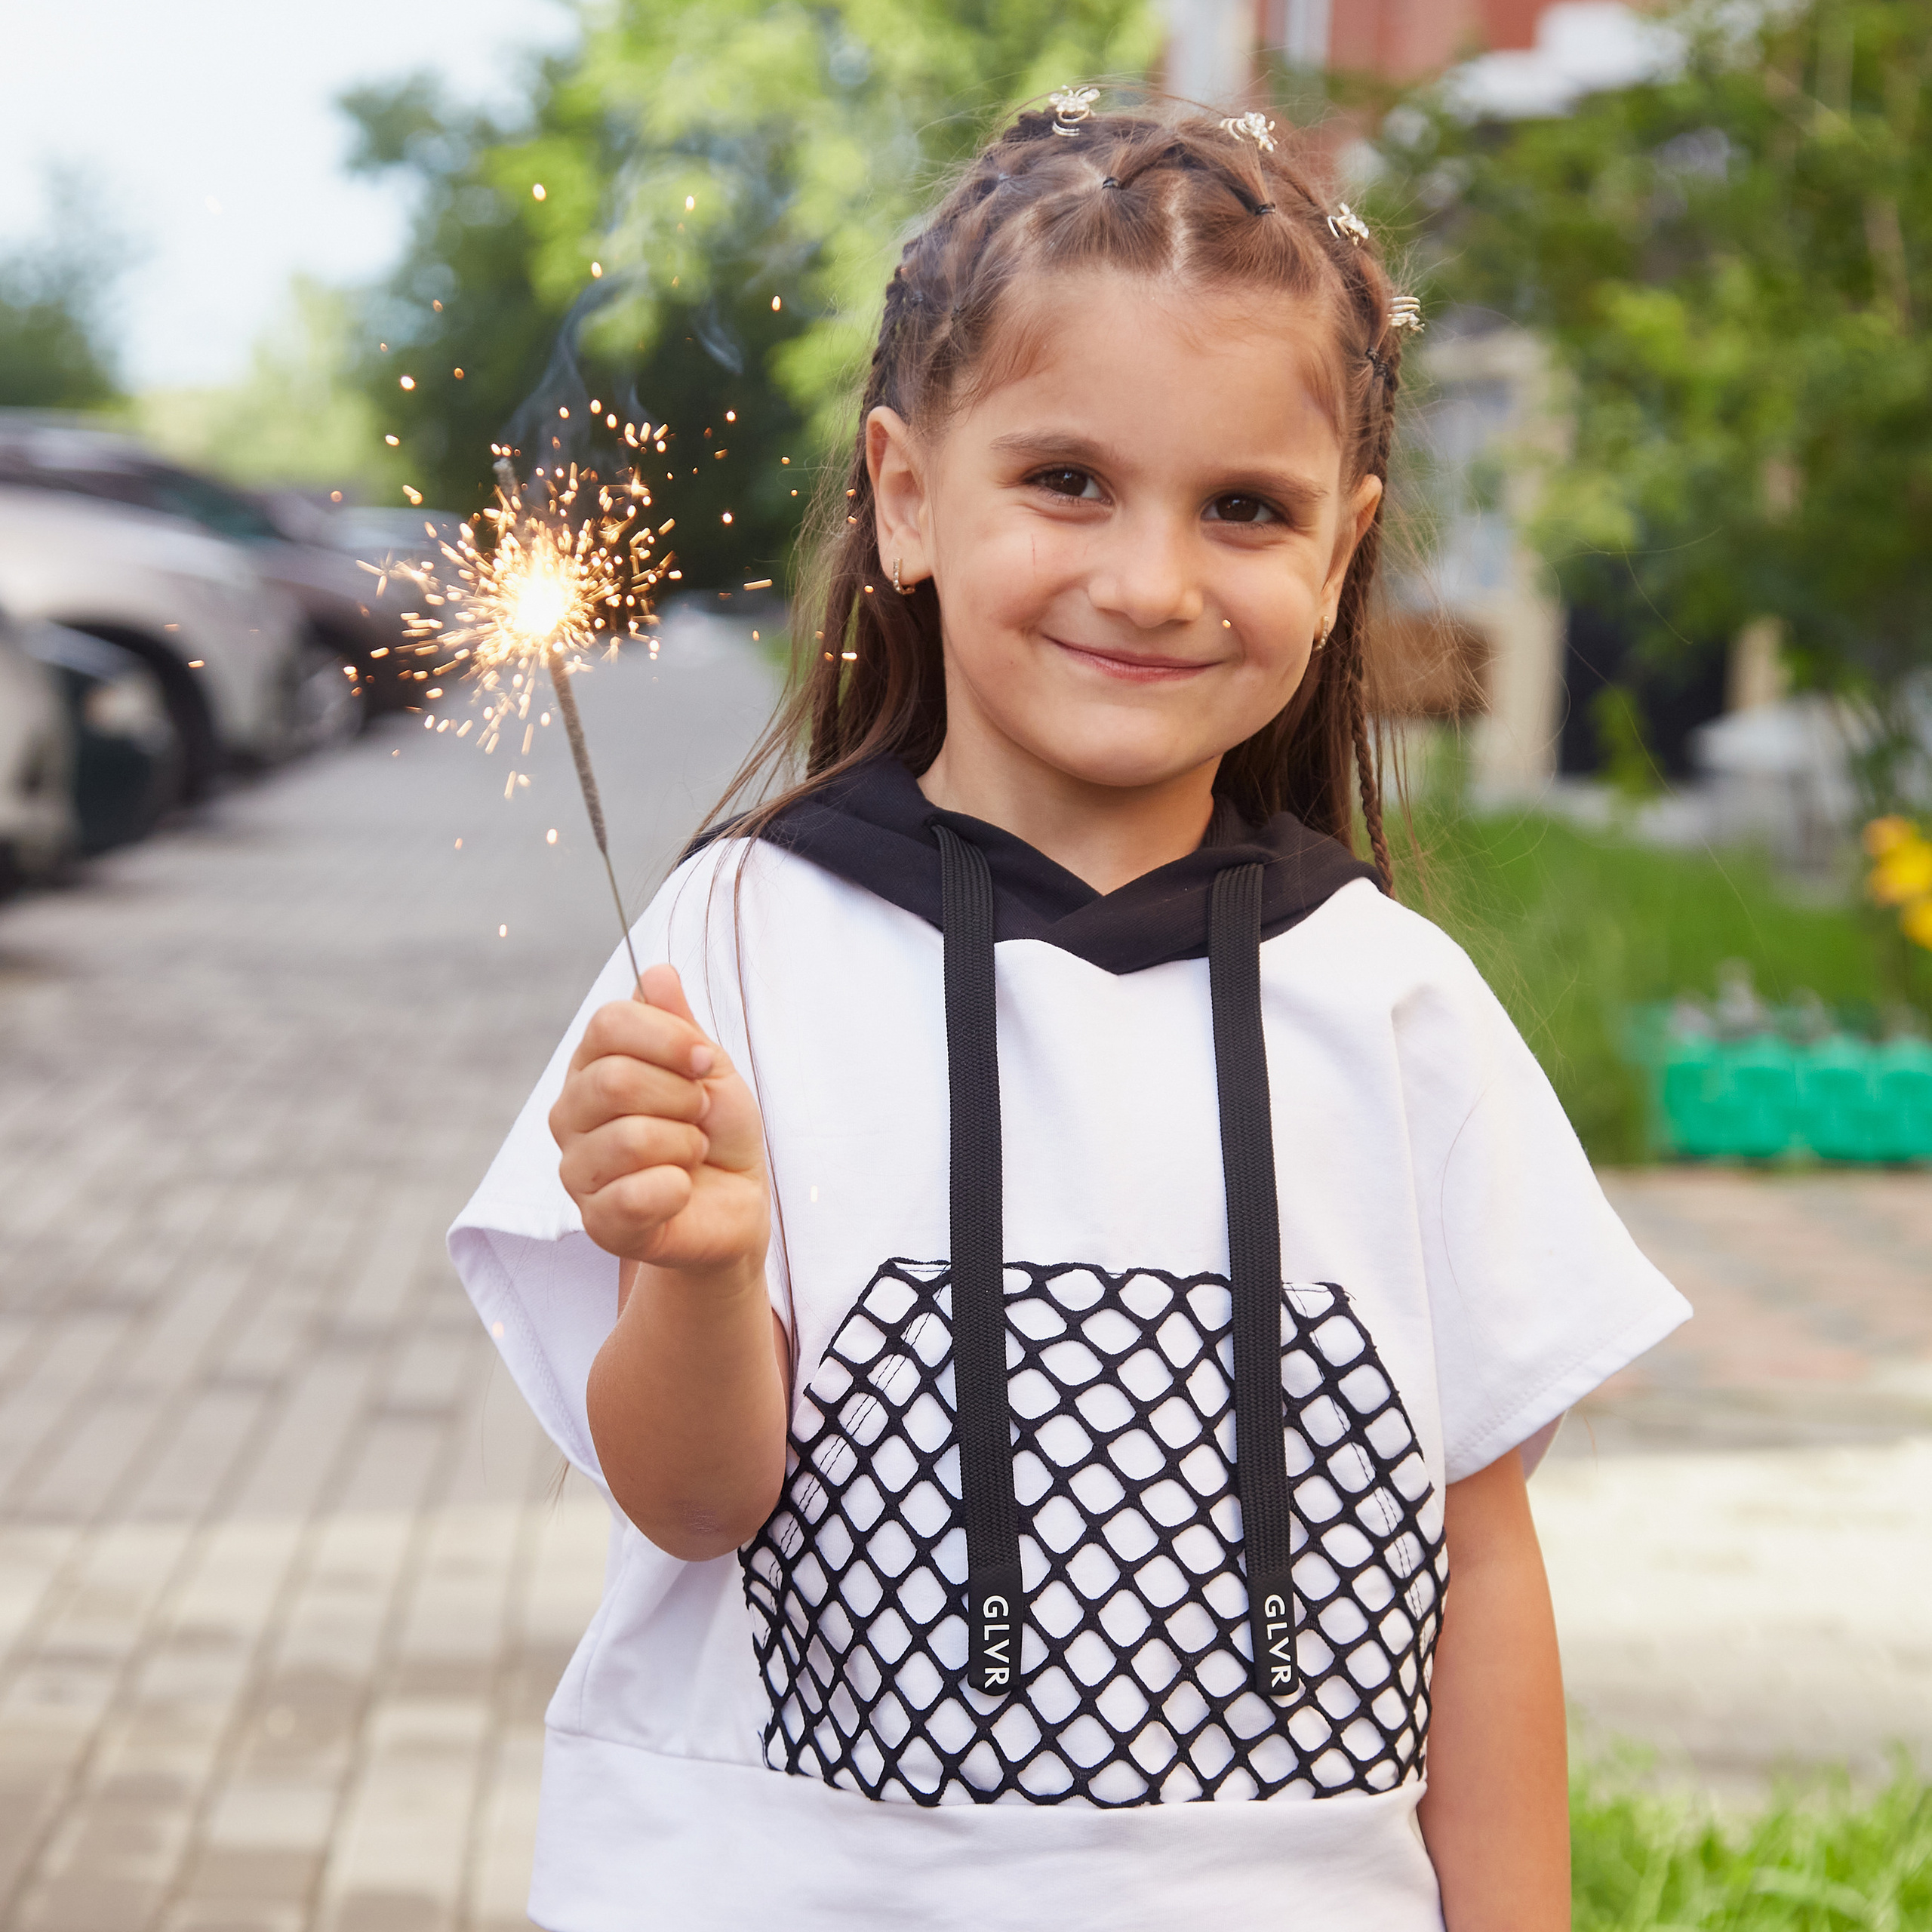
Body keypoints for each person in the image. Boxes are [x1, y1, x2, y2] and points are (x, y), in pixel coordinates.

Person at [451, 96, 1688, 1932]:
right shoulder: (727, 941)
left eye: (1243, 509)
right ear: (903, 493)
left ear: (1338, 551)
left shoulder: (1398, 1006)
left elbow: (1479, 1566)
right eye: (1067, 480)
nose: (1149, 579)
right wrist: (699, 1270)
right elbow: (693, 1502)